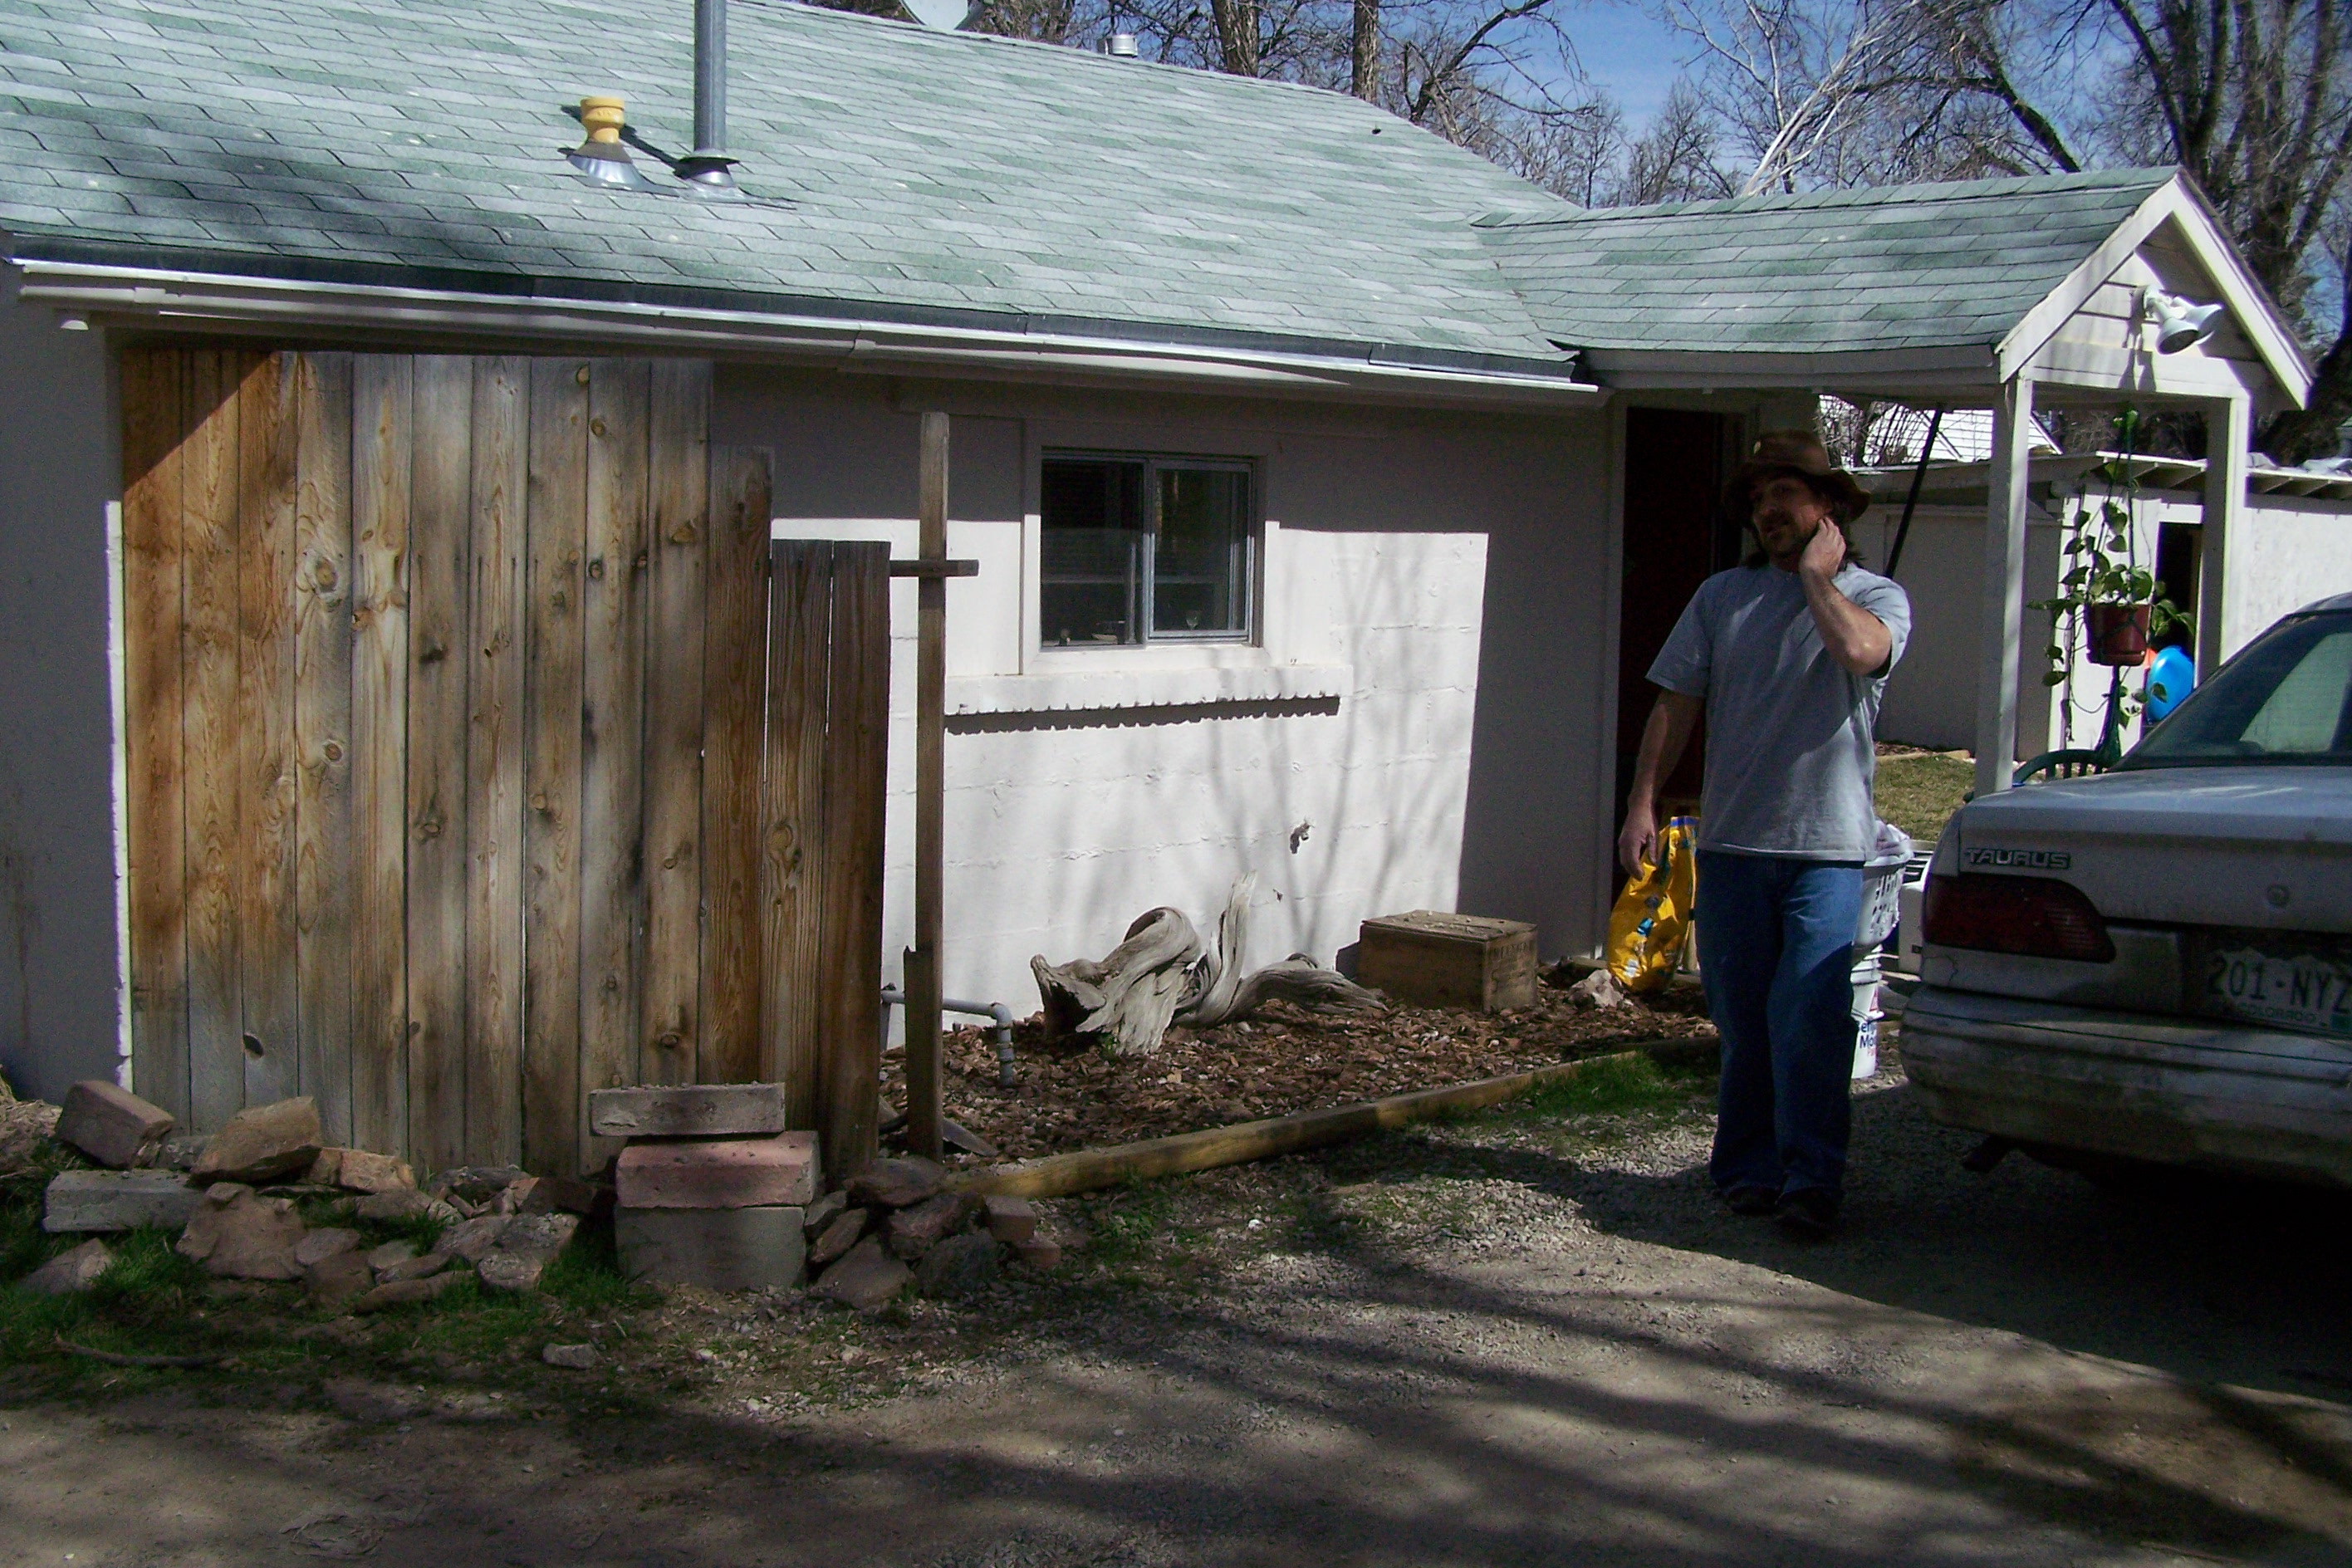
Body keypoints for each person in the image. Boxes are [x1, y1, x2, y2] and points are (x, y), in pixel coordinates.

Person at [1617, 430, 1912, 1238]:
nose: (1766, 511)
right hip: (1734, 848)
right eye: (1755, 499)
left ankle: (1811, 1180)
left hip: (1827, 851)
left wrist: (1816, 580)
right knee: (1744, 1023)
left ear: (1829, 506)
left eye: (1783, 493)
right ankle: (1748, 1170)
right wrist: (1642, 801)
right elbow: (1676, 700)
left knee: (1811, 1016)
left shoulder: (1876, 597)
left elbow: (1860, 652)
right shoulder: (1722, 598)